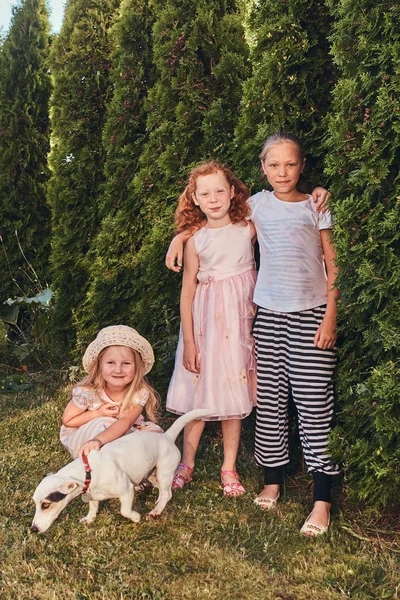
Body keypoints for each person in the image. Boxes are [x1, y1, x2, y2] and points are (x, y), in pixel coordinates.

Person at [166, 135, 337, 536]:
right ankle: (272, 481)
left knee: (313, 404)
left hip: (312, 315)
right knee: (271, 401)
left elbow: (333, 262)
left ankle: (322, 498)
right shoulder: (257, 206)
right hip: (268, 317)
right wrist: (180, 236)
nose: (282, 172)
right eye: (273, 165)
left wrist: (331, 316)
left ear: (302, 165)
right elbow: (210, 223)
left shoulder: (315, 205)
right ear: (262, 169)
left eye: (290, 165)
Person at [166, 161, 258, 497]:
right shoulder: (196, 241)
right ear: (195, 199)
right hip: (205, 327)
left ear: (233, 192)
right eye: (205, 193)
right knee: (198, 395)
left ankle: (228, 467)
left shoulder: (248, 228)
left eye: (220, 190)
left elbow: (279, 206)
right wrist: (189, 342)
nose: (214, 198)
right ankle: (186, 463)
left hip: (238, 326)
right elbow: (187, 291)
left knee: (234, 390)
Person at [60, 325, 162, 459]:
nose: (118, 370)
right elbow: (68, 420)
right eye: (111, 363)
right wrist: (97, 413)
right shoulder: (88, 392)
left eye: (126, 363)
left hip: (124, 430)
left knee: (155, 438)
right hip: (90, 435)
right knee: (102, 424)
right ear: (100, 365)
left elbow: (125, 422)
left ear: (137, 367)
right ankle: (101, 463)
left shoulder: (138, 392)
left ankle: (132, 464)